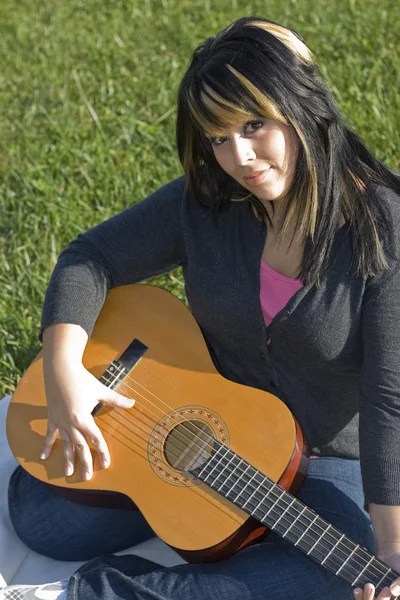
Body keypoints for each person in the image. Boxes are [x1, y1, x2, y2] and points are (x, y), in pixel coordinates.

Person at [3, 15, 400, 600]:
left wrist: (392, 544)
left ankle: (116, 592)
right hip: (198, 413)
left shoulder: (383, 226)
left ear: (301, 105)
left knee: (349, 565)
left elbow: (387, 395)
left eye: (255, 125)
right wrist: (64, 371)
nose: (239, 156)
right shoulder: (210, 201)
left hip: (320, 456)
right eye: (218, 138)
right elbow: (92, 256)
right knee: (42, 519)